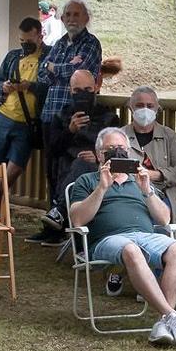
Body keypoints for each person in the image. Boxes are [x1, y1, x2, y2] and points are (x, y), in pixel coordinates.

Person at [70, 126, 176, 346]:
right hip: (108, 240)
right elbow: (77, 219)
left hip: (145, 235)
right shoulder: (87, 181)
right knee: (131, 249)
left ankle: (163, 322)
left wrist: (147, 190)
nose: (117, 152)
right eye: (111, 148)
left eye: (121, 148)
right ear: (99, 154)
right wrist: (102, 187)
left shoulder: (140, 181)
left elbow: (165, 219)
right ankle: (172, 316)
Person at [35, 67, 118, 242]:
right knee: (76, 164)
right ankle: (59, 217)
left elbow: (118, 151)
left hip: (98, 172)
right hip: (66, 169)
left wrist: (97, 158)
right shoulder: (62, 115)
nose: (82, 94)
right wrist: (70, 130)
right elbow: (53, 149)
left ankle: (59, 212)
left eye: (87, 90)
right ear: (70, 91)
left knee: (83, 164)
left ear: (96, 87)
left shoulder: (108, 117)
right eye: (77, 91)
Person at [0, 15, 45, 206]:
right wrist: (5, 86)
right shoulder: (12, 56)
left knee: (16, 167)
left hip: (28, 121)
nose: (25, 45)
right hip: (3, 115)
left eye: (29, 41)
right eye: (22, 41)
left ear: (40, 36)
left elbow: (50, 87)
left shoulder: (49, 56)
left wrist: (30, 86)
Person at [35, 0, 102, 130]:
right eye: (68, 14)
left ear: (87, 18)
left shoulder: (91, 43)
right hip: (50, 114)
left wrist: (52, 66)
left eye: (77, 14)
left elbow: (77, 73)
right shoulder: (59, 43)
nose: (72, 19)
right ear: (62, 19)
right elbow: (41, 74)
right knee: (49, 151)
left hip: (76, 117)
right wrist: (53, 67)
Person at [125, 85, 176, 219]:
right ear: (131, 108)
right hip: (128, 193)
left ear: (157, 109)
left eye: (149, 106)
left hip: (163, 194)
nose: (145, 109)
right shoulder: (120, 136)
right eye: (140, 105)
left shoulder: (169, 136)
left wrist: (156, 175)